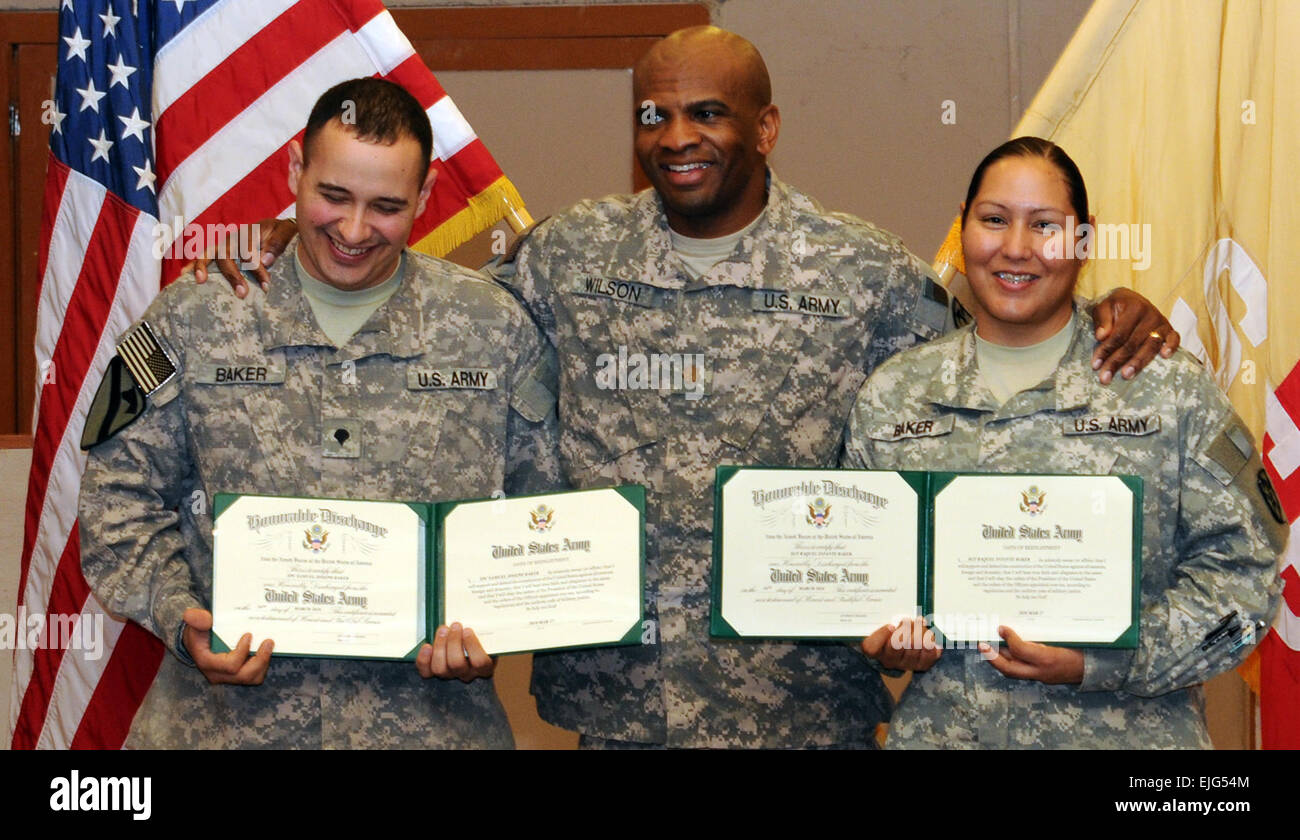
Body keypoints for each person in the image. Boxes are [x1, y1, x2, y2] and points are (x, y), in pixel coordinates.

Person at [206, 28, 1179, 748]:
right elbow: (433, 319)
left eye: (706, 112)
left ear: (764, 125)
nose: (677, 135)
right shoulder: (569, 256)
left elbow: (998, 359)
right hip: (619, 709)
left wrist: (1105, 312)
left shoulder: (860, 272)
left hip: (804, 712)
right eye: (654, 114)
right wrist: (304, 244)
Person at [78, 78, 560, 749]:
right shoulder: (196, 318)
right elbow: (116, 505)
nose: (355, 230)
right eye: (333, 196)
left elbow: (552, 510)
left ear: (424, 199)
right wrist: (182, 614)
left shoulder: (492, 329)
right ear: (295, 172)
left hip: (430, 730)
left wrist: (501, 622)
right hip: (223, 732)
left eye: (387, 206)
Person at [847, 137, 1286, 748]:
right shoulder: (894, 396)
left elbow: (1246, 584)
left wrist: (1102, 663)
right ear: (964, 230)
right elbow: (861, 578)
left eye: (1045, 225)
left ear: (1084, 241)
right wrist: (888, 642)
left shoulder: (1166, 388)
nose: (1016, 247)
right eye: (994, 219)